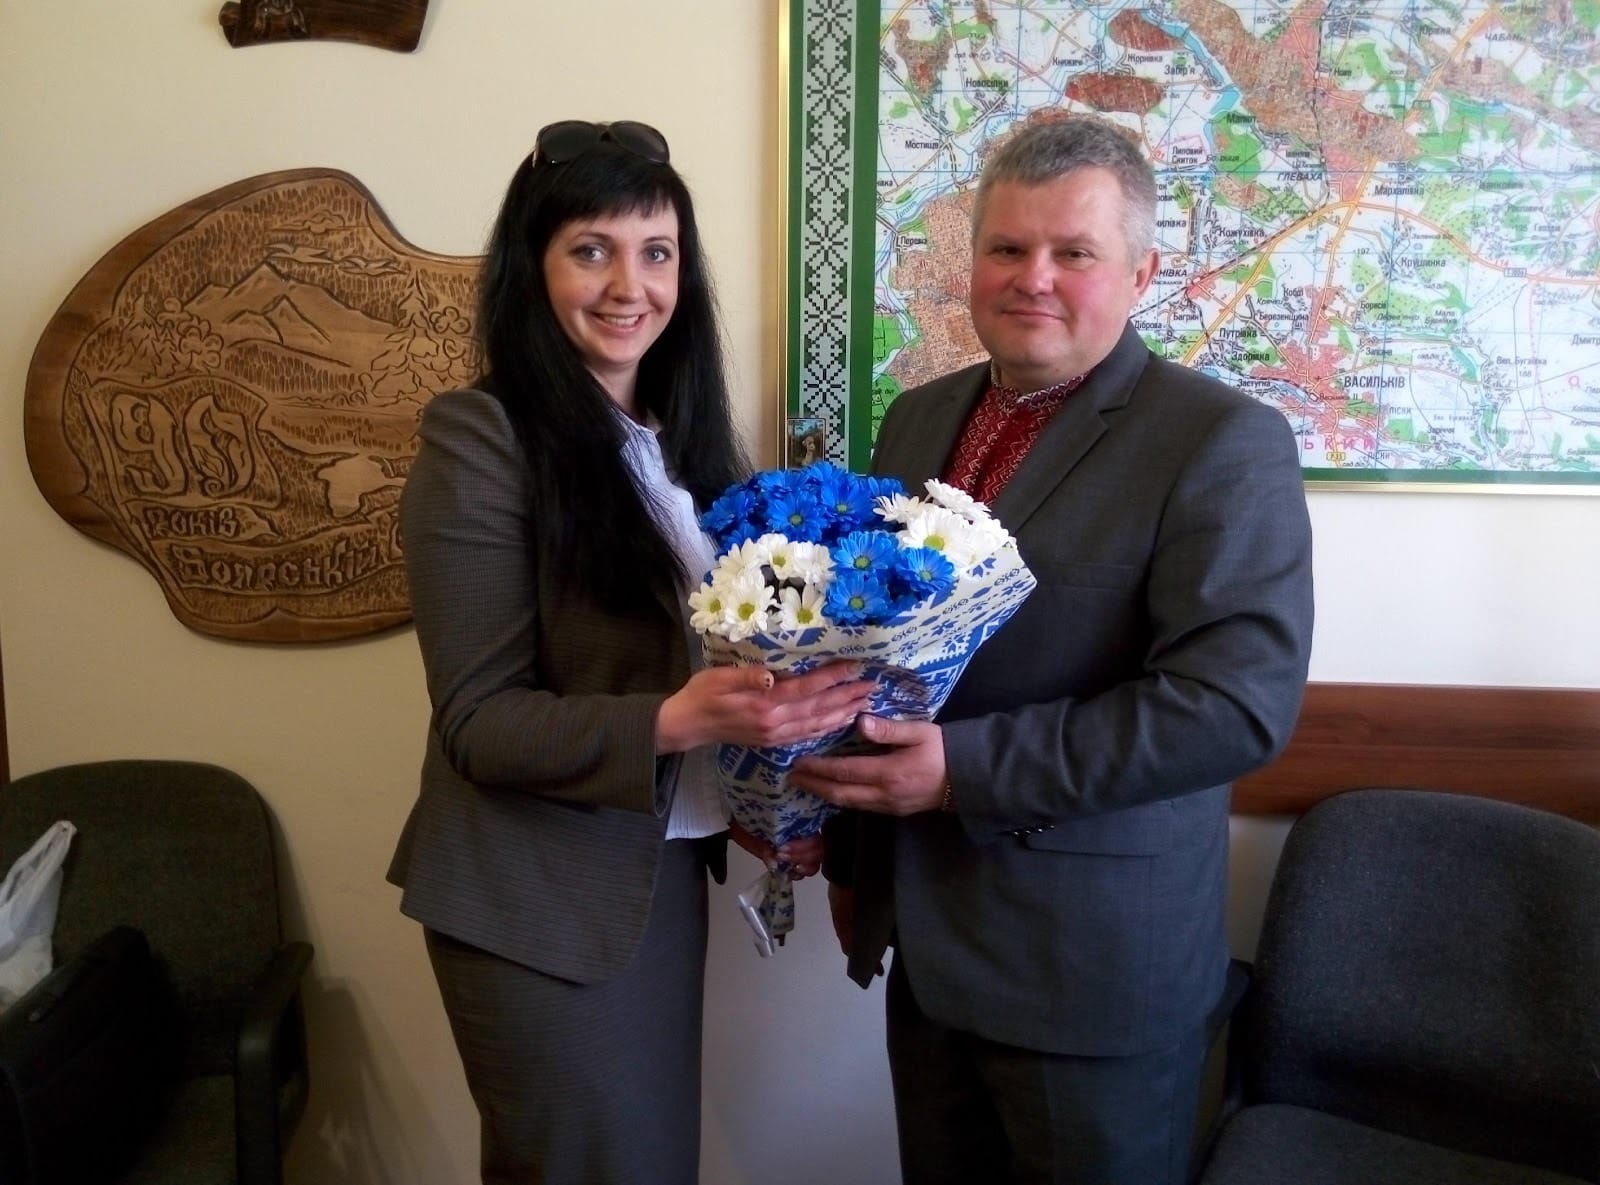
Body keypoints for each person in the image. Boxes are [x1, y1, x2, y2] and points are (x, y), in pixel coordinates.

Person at [790, 115, 1315, 1185]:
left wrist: (961, 773)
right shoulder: (916, 419)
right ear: (972, 262)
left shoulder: (1220, 440)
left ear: (1141, 273)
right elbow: (884, 648)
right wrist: (842, 847)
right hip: (923, 947)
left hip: (1092, 980)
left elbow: (1233, 705)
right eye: (1007, 247)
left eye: (1073, 251)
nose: (1033, 277)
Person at [387, 120, 870, 1185]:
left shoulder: (676, 445)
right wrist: (688, 715)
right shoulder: (481, 437)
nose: (629, 285)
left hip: (650, 880)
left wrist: (773, 797)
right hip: (537, 903)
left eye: (657, 252)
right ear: (532, 268)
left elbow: (708, 668)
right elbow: (478, 722)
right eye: (591, 250)